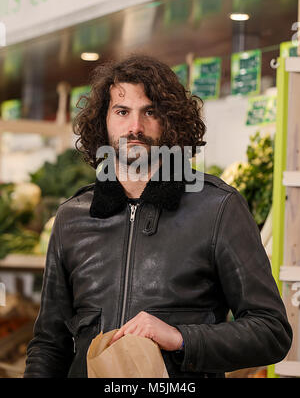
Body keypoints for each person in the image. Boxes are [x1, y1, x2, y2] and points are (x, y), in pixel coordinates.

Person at [24, 54, 292, 378]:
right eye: (122, 112)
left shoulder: (218, 209)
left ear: (171, 121)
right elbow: (50, 345)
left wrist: (181, 338)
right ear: (103, 121)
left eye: (150, 112)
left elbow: (272, 331)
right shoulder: (72, 218)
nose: (135, 127)